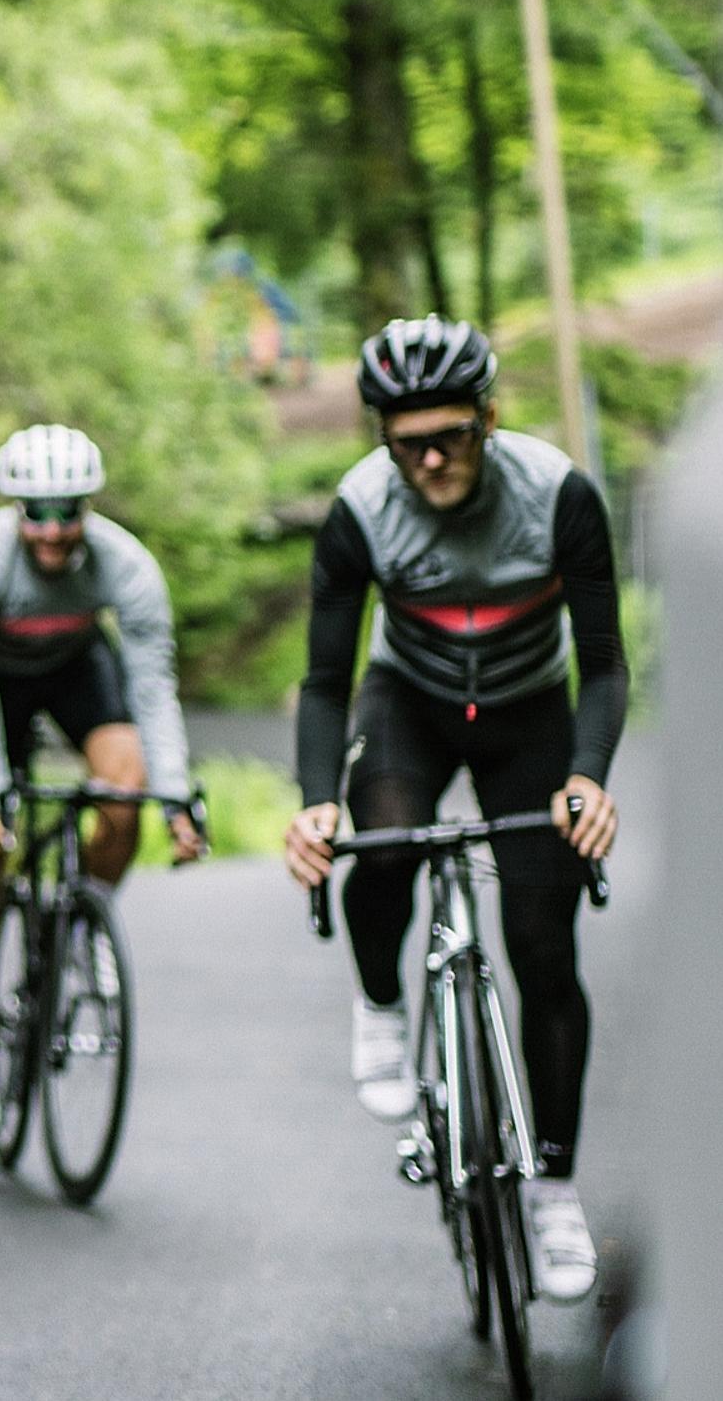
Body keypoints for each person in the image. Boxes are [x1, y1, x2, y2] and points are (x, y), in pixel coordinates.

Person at [281, 316, 624, 1304]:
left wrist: (588, 776)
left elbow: (600, 661)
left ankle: (553, 1185)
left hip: (529, 714)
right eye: (406, 440)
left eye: (452, 435)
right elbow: (320, 680)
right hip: (411, 704)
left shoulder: (558, 494)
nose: (430, 457)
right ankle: (382, 1005)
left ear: (489, 415)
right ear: (381, 435)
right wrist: (313, 805)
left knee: (543, 948)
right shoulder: (358, 507)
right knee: (380, 842)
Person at [0, 423, 203, 1139]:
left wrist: (175, 797)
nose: (52, 532)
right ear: (11, 509)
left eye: (67, 512)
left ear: (88, 507)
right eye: (35, 514)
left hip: (77, 665)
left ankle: (86, 926)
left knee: (125, 791)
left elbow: (151, 686)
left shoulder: (124, 565)